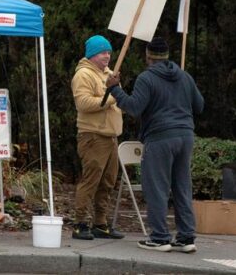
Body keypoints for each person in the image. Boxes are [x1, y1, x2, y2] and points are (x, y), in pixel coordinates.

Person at [106, 37, 204, 253]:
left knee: (157, 188)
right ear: (167, 56)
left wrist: (115, 89)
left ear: (148, 57)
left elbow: (134, 107)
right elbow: (199, 105)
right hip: (186, 135)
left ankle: (160, 238)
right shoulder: (185, 76)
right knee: (182, 186)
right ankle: (186, 237)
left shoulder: (146, 78)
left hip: (160, 137)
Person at [71, 35, 125, 240]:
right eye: (103, 52)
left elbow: (117, 100)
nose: (107, 56)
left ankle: (100, 223)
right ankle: (80, 223)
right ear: (92, 54)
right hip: (93, 136)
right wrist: (113, 96)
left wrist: (118, 95)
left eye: (109, 52)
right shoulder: (83, 75)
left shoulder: (109, 74)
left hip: (111, 136)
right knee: (91, 181)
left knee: (108, 182)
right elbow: (83, 103)